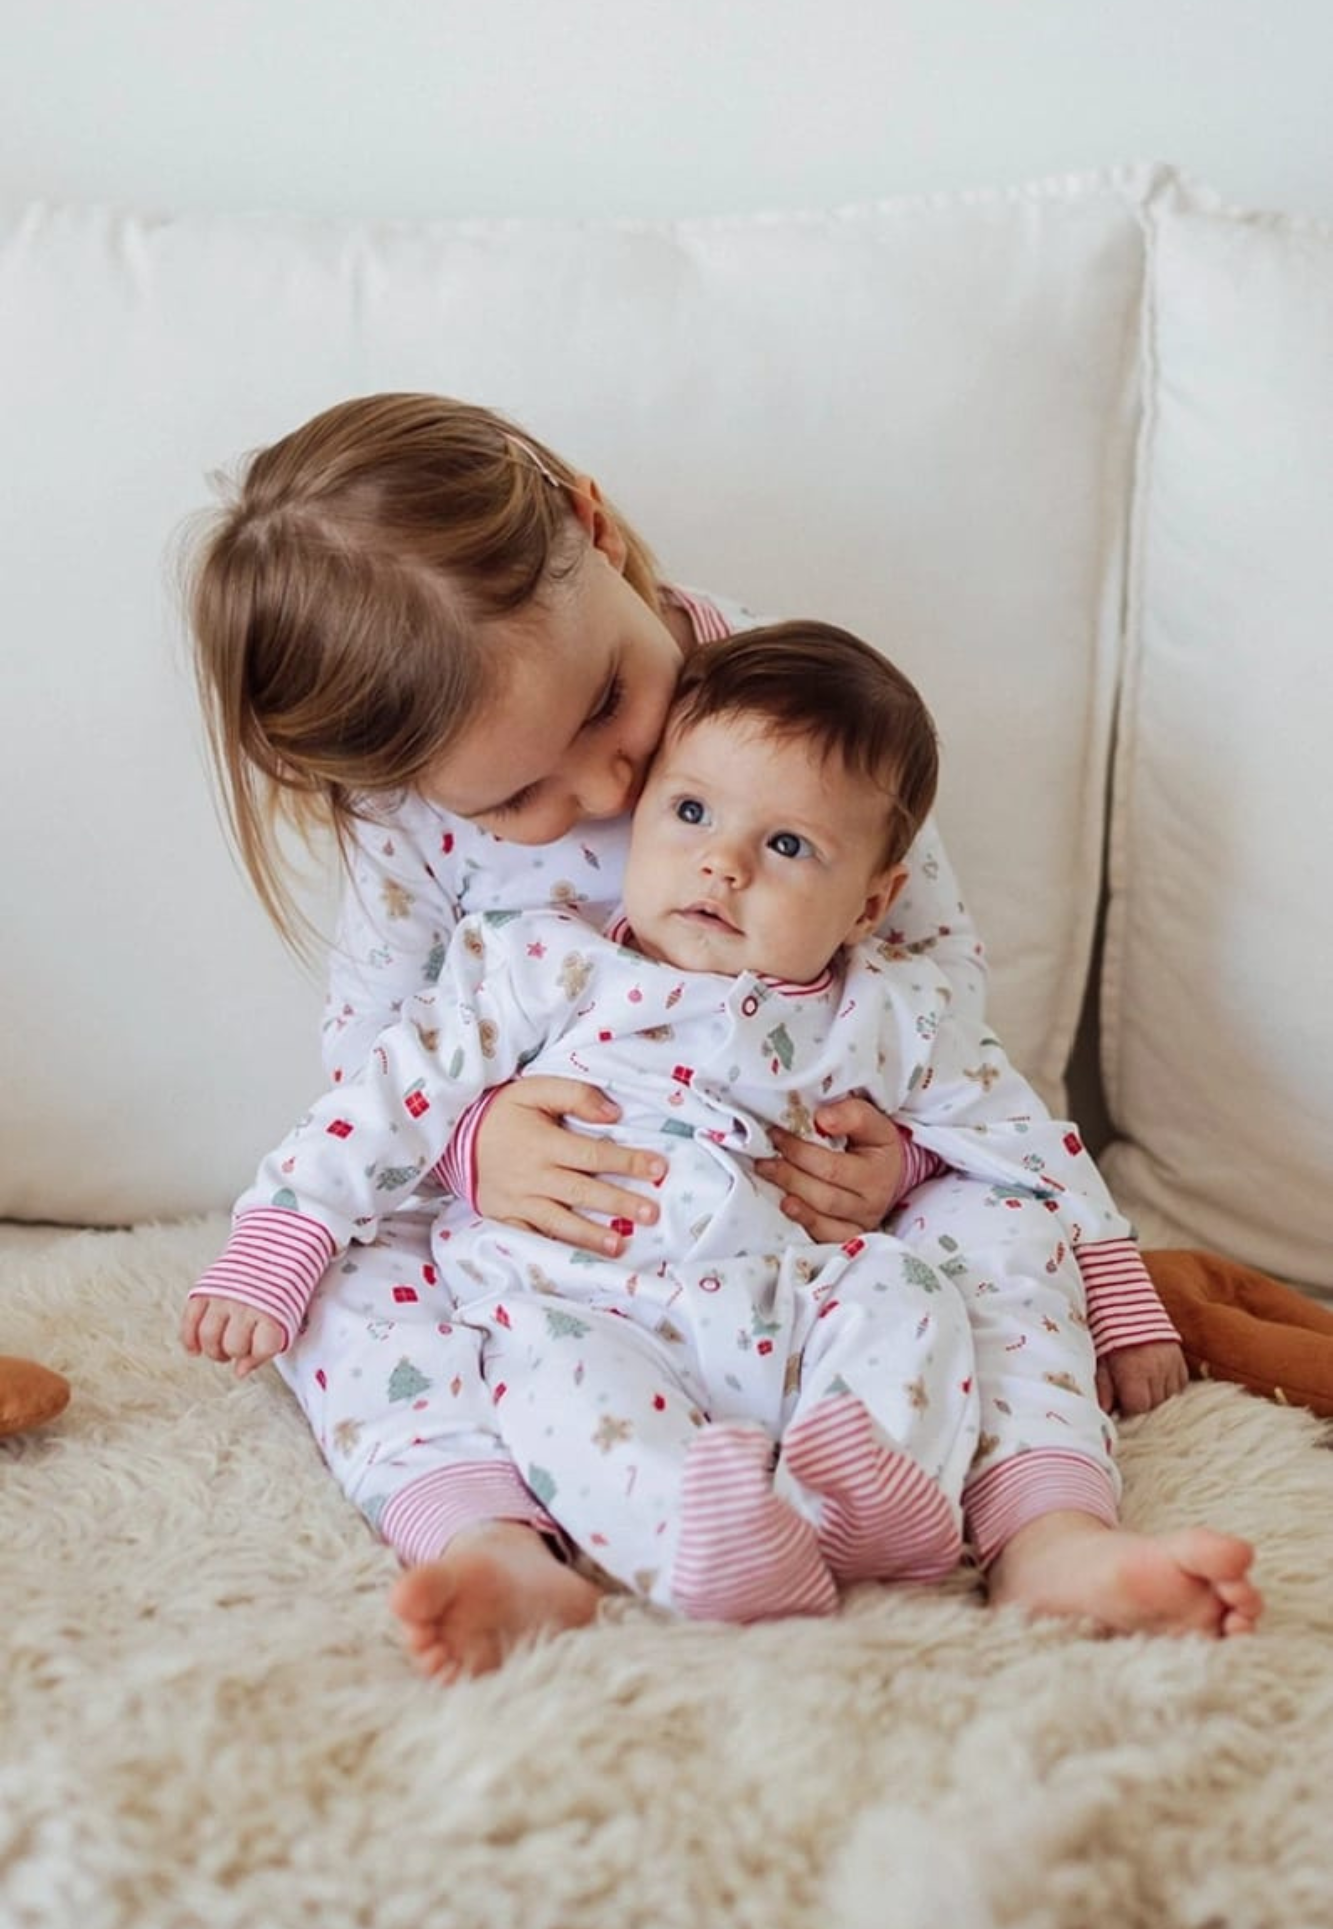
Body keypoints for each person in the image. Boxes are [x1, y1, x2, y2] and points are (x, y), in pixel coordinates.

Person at [179, 393, 1196, 1680]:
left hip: (810, 1215)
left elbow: (936, 990)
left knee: (999, 1224)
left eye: (608, 703)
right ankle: (492, 1537)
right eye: (517, 798)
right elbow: (378, 1058)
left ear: (590, 528)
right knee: (349, 1272)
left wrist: (903, 1163)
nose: (606, 787)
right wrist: (476, 1151)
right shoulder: (404, 817)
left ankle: (1045, 1527)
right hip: (564, 1243)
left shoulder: (805, 701)